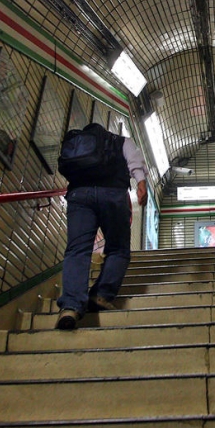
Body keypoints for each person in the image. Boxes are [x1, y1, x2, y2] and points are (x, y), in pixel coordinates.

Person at [56, 123, 148, 330]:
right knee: (118, 248)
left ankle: (70, 306)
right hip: (113, 194)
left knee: (77, 250)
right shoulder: (120, 141)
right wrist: (141, 184)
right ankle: (100, 295)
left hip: (79, 195)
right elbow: (135, 163)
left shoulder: (76, 143)